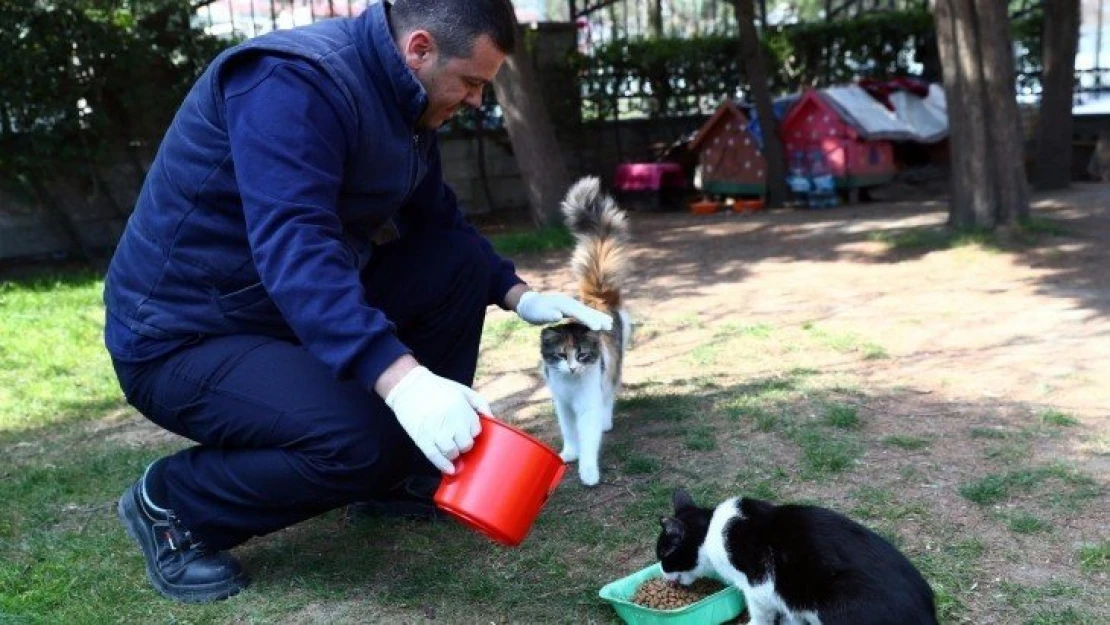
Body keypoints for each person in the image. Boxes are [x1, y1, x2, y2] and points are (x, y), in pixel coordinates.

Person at [103, 0, 612, 604]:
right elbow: (297, 245)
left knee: (451, 269)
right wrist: (404, 383)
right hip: (184, 333)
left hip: (275, 311)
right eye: (473, 82)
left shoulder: (407, 99)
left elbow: (439, 224)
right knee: (363, 437)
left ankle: (399, 476)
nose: (478, 99)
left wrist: (519, 295)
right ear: (419, 49)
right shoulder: (288, 82)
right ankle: (174, 503)